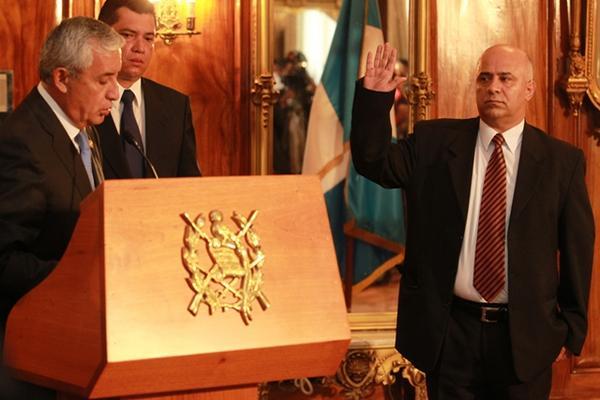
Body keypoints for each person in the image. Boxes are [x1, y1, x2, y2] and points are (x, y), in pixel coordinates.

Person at [350, 43, 595, 399]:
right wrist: (374, 98)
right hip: (450, 334)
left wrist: (570, 330)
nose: (493, 87)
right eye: (485, 78)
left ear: (529, 89)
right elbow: (374, 162)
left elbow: (577, 250)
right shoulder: (434, 142)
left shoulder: (561, 162)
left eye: (505, 78)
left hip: (524, 339)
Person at [0, 17, 123, 398]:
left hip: (78, 342)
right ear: (62, 78)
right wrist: (82, 282)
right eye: (103, 80)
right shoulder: (19, 142)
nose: (115, 93)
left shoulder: (83, 127)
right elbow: (4, 259)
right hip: (30, 357)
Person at [97, 0, 201, 179]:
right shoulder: (83, 101)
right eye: (128, 35)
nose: (140, 48)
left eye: (148, 38)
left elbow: (189, 182)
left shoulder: (176, 106)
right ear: (101, 36)